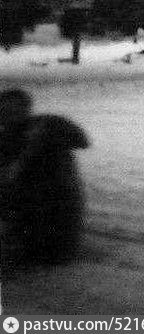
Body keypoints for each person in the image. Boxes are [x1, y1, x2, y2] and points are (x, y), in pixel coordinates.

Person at [0, 88, 89, 266]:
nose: (7, 117)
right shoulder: (7, 139)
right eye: (4, 112)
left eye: (12, 111)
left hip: (54, 219)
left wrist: (42, 137)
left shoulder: (48, 125)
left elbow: (81, 141)